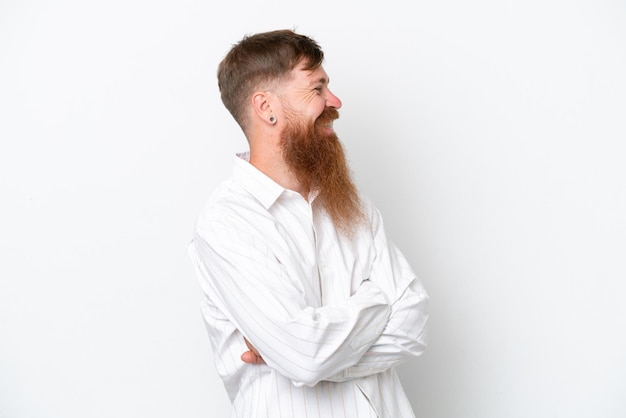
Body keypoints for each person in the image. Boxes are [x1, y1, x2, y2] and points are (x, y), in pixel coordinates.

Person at [187, 29, 429, 418]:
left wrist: (296, 358)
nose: (334, 101)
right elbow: (305, 355)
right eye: (317, 89)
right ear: (267, 107)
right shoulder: (226, 224)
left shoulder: (355, 206)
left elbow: (413, 322)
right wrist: (379, 301)